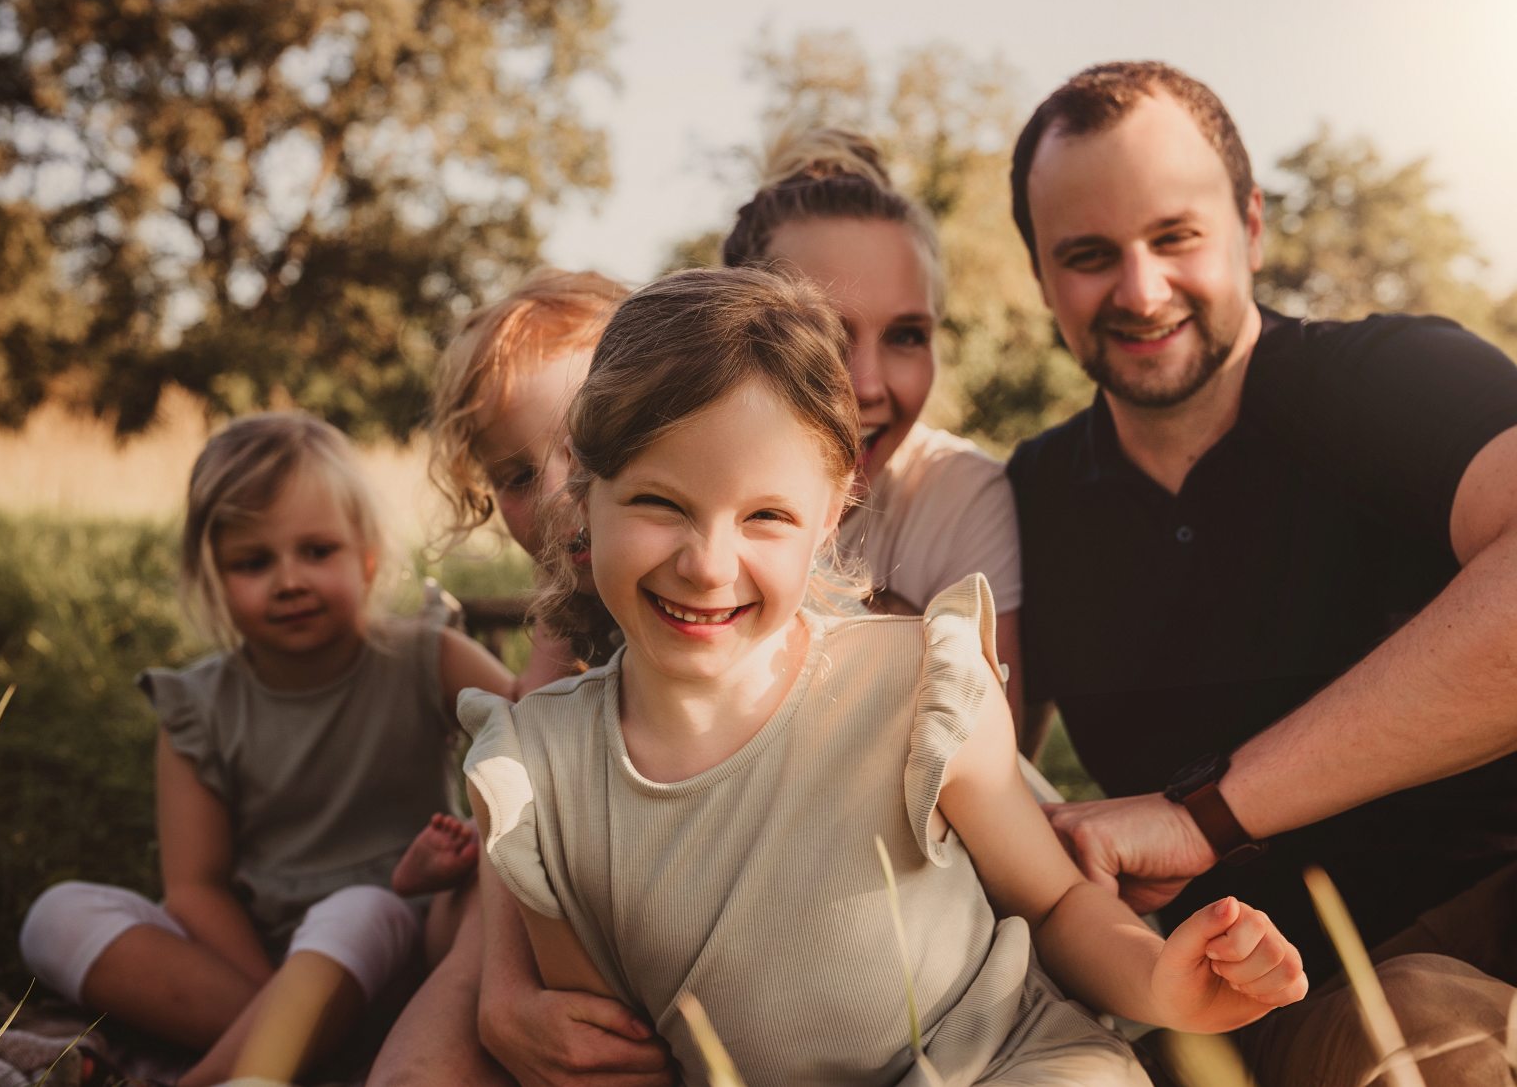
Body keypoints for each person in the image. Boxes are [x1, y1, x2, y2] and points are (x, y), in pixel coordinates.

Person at [1003, 59, 1517, 1083]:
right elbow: (966, 785)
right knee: (1419, 1022)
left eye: (1175, 236)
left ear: (1251, 226)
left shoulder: (1388, 376)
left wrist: (1201, 813)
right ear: (1040, 276)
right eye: (1087, 255)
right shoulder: (1027, 498)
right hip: (1296, 995)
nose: (1139, 289)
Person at [457, 266, 1309, 1087]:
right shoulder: (540, 776)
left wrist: (1163, 980)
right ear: (588, 494)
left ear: (828, 516)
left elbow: (1056, 908)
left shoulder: (911, 686)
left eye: (767, 516)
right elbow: (614, 1059)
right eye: (659, 503)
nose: (709, 564)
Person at [17, 412, 520, 1086]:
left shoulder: (423, 656)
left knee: (354, 911)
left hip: (402, 932)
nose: (289, 580)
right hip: (257, 955)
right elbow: (195, 889)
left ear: (367, 556)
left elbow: (533, 728)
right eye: (254, 562)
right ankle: (311, 1042)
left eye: (317, 551)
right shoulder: (197, 706)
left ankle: (227, 1073)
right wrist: (283, 993)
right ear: (216, 577)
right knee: (55, 916)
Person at [368, 268, 665, 1087]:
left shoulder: (717, 579)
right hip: (549, 901)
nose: (560, 493)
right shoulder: (566, 615)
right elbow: (516, 778)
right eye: (516, 475)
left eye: (585, 443)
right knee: (471, 951)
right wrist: (501, 993)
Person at [720, 127, 1032, 739]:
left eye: (907, 336)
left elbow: (990, 758)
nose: (866, 385)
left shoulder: (961, 496)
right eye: (826, 337)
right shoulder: (670, 495)